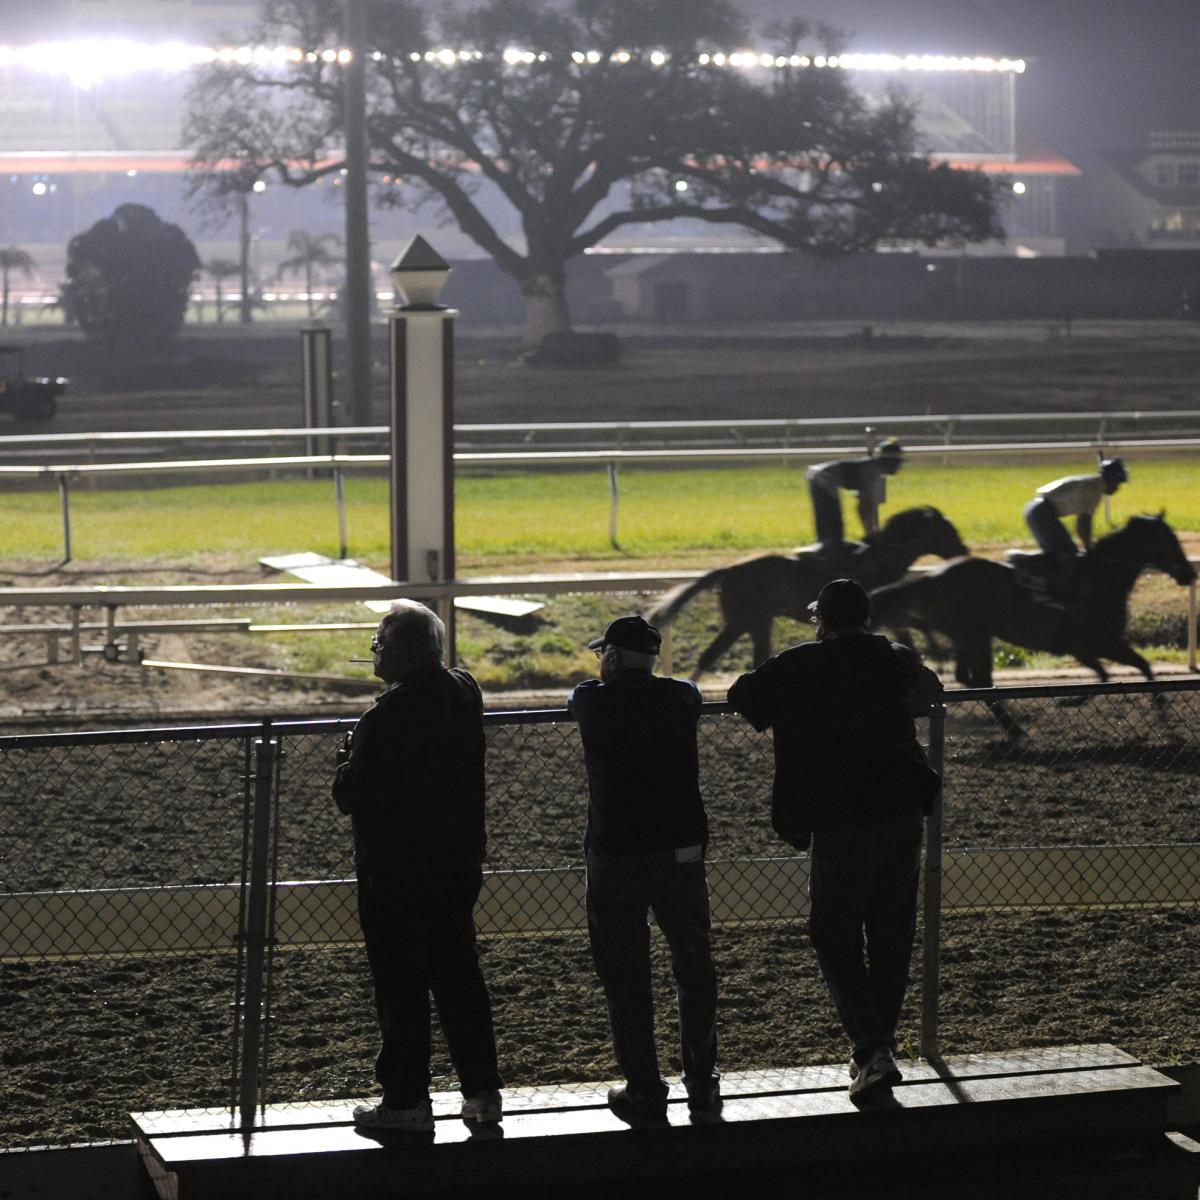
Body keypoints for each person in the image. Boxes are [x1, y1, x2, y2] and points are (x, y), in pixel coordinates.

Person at [727, 579, 942, 1102]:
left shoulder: (801, 663)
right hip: (901, 809)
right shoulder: (894, 657)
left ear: (820, 619)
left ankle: (872, 1049)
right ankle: (878, 1047)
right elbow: (929, 693)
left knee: (834, 932)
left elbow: (742, 697)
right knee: (891, 934)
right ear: (866, 618)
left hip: (841, 817)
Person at [333, 600, 503, 1133]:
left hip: (397, 875)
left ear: (404, 653)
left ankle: (406, 1101)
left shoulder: (383, 719)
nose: (373, 652)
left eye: (379, 645)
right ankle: (482, 1091)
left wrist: (346, 756)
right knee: (458, 977)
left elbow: (350, 795)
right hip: (456, 864)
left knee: (401, 986)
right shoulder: (464, 690)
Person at [568, 615, 720, 1123]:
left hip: (617, 853)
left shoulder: (593, 701)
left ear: (610, 657)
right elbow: (688, 689)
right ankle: (701, 1078)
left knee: (625, 972)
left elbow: (583, 693)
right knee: (693, 963)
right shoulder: (681, 698)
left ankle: (644, 1087)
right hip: (680, 849)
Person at [1023, 456, 1128, 595]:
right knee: (1068, 554)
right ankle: (1057, 589)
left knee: (1057, 553)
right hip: (1042, 512)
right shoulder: (1094, 489)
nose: (1117, 488)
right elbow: (1083, 524)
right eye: (1118, 483)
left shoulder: (1092, 483)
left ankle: (1042, 581)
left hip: (1035, 509)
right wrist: (1089, 548)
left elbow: (1082, 524)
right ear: (1112, 479)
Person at [805, 438, 904, 553]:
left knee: (830, 519)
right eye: (898, 462)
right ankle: (829, 549)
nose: (899, 467)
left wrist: (871, 533)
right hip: (824, 477)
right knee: (833, 519)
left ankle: (828, 546)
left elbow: (869, 505)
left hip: (818, 474)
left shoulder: (875, 470)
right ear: (890, 461)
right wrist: (871, 535)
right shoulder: (873, 472)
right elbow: (864, 506)